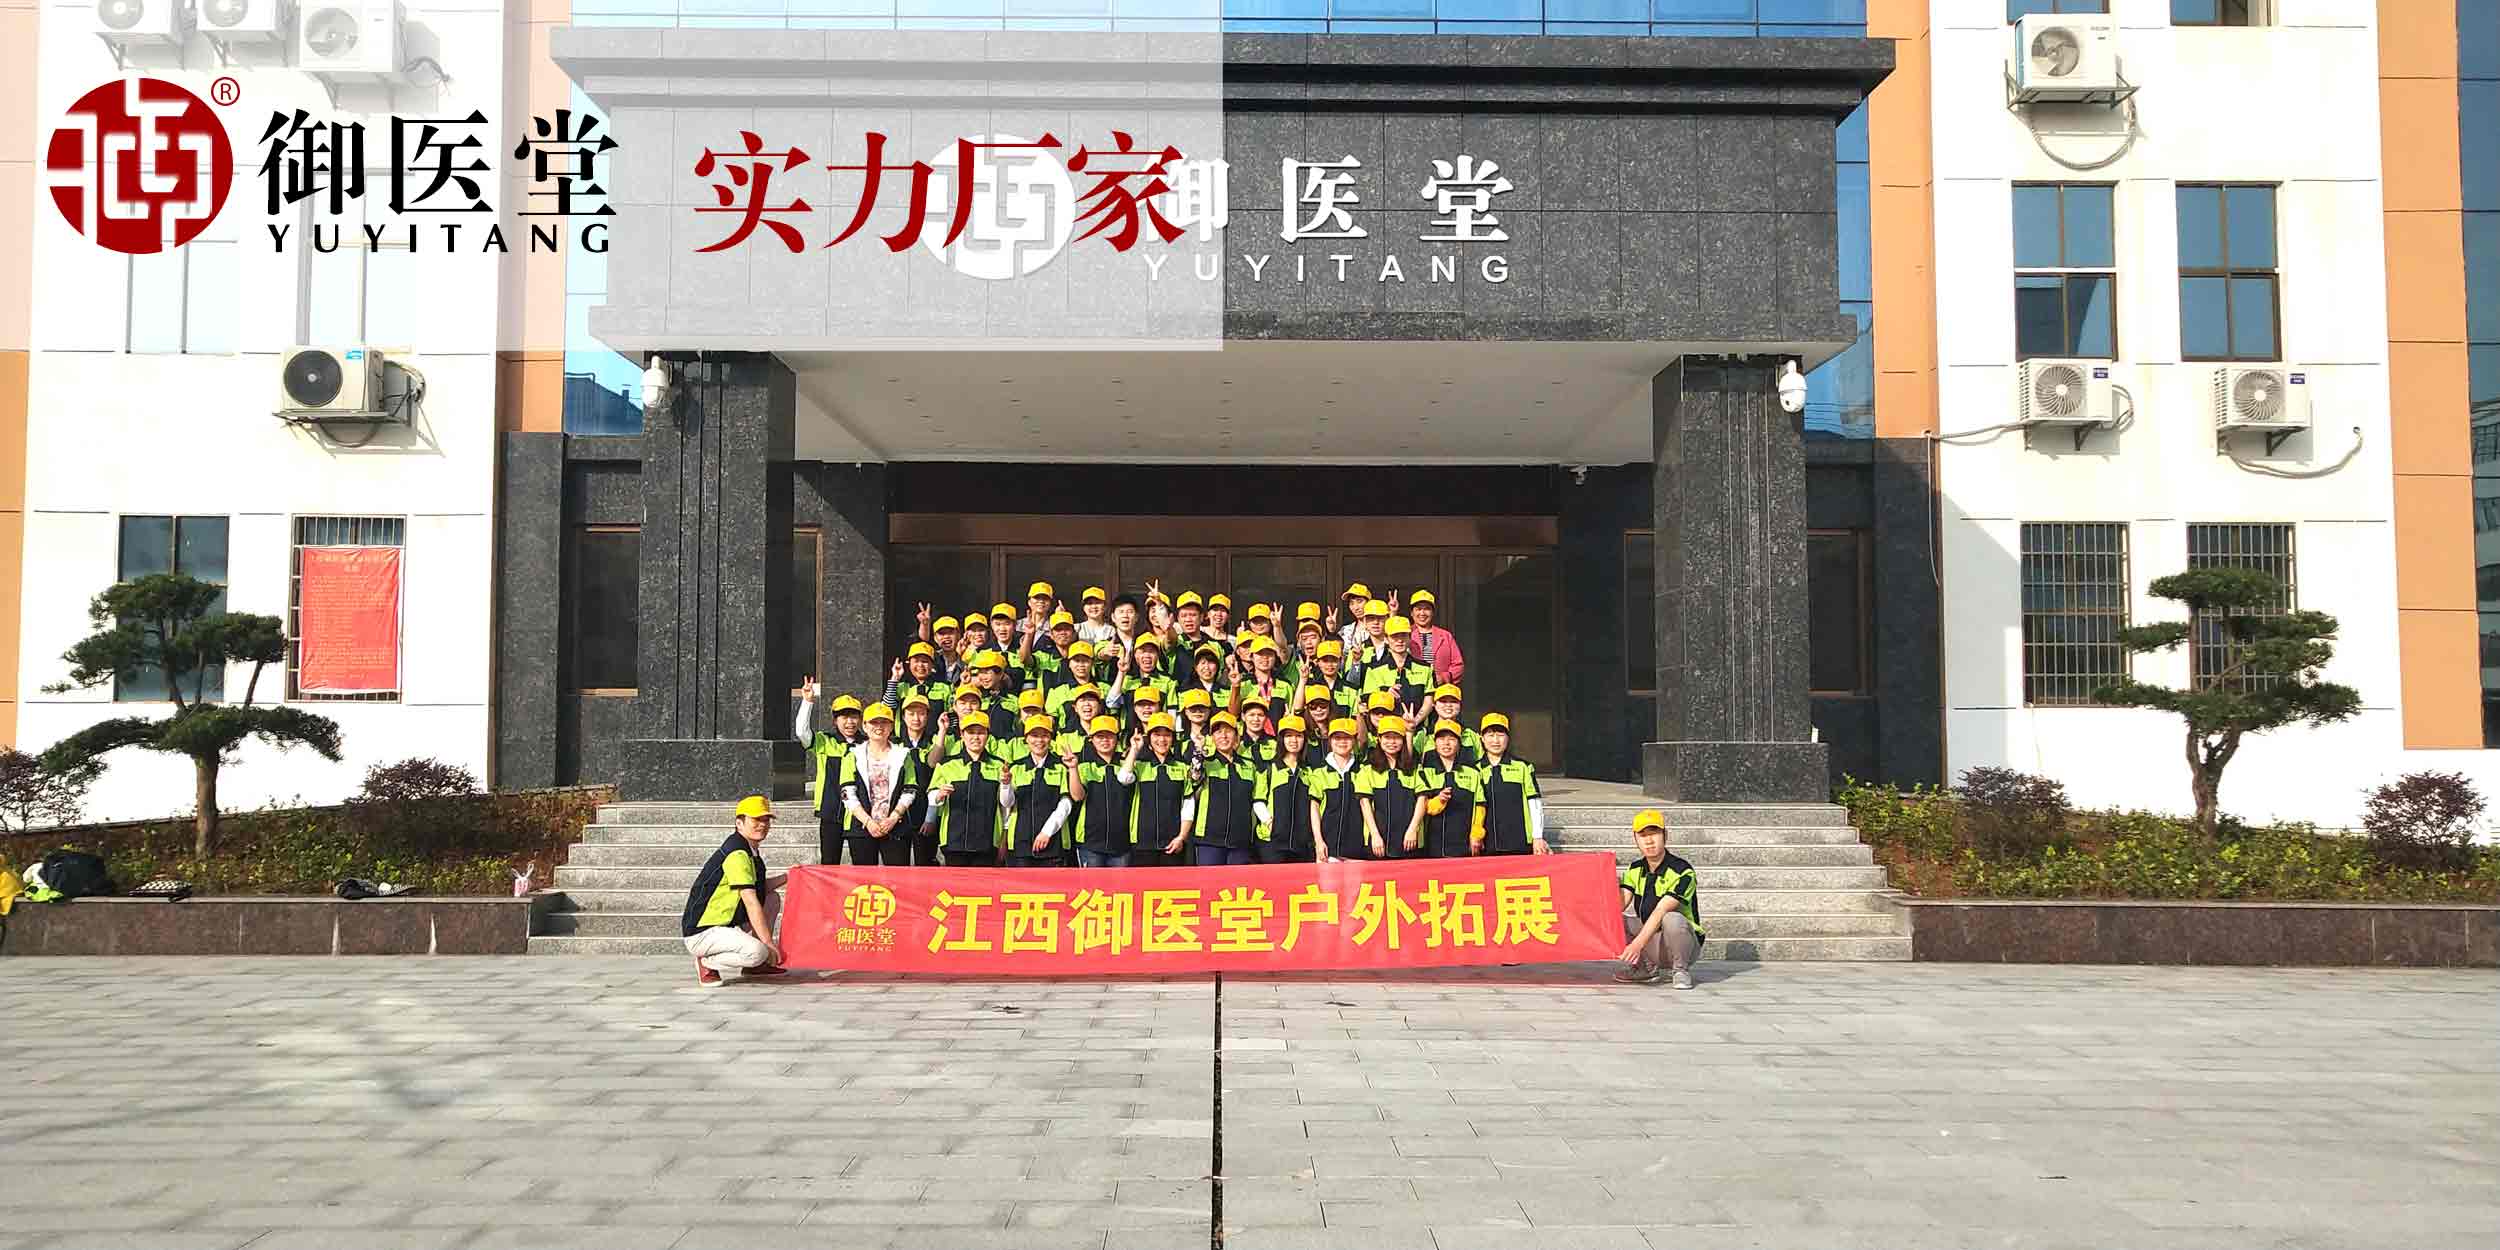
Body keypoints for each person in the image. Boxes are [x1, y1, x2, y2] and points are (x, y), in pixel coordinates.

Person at [681, 795, 790, 986]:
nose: (762, 825)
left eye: (766, 820)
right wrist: (768, 943)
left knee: (771, 898)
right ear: (739, 823)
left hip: (726, 925)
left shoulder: (749, 849)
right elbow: (750, 900)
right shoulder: (737, 854)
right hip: (704, 932)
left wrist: (788, 876)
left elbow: (760, 888)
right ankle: (706, 963)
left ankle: (755, 966)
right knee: (758, 952)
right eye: (756, 820)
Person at [1618, 809, 1704, 988]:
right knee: (1615, 921)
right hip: (1653, 941)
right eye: (1642, 835)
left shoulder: (1683, 871)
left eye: (1654, 833)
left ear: (1665, 835)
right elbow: (1620, 904)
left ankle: (1680, 970)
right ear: (1635, 839)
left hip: (1683, 943)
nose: (1649, 840)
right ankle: (1645, 969)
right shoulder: (1635, 869)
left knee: (1671, 918)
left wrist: (1636, 944)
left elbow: (1661, 909)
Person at [835, 703, 923, 867]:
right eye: (874, 722)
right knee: (864, 880)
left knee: (897, 878)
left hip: (895, 827)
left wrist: (894, 818)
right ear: (865, 726)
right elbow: (847, 793)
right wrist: (868, 822)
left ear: (891, 726)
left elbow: (910, 789)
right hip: (861, 827)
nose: (879, 727)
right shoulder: (852, 754)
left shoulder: (903, 754)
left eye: (884, 722)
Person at [924, 711, 1008, 866]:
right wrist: (939, 794)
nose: (975, 737)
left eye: (980, 732)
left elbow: (1005, 806)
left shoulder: (999, 765)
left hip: (987, 843)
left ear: (988, 735)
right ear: (962, 735)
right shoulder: (946, 764)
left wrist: (1004, 836)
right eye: (970, 732)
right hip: (953, 841)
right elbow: (931, 797)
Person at [794, 681, 864, 864]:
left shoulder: (867, 743)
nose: (849, 722)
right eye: (844, 717)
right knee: (829, 862)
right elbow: (801, 732)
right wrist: (807, 701)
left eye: (854, 717)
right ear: (835, 720)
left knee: (862, 864)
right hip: (831, 811)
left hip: (860, 813)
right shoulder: (824, 741)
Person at [1003, 716, 1079, 868]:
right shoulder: (1016, 768)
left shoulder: (1061, 767)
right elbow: (1007, 803)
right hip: (1020, 842)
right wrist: (1006, 785)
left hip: (1054, 842)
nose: (1039, 740)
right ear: (1026, 738)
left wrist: (1047, 832)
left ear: (1051, 738)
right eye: (1034, 735)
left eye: (1044, 735)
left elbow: (1066, 803)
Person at [1121, 711, 1193, 867]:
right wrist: (1134, 750)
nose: (1162, 740)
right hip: (1142, 842)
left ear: (1173, 738)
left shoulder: (1182, 767)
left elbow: (1188, 805)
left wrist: (1181, 837)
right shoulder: (1139, 765)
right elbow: (1123, 778)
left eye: (1167, 735)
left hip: (1173, 843)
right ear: (1149, 738)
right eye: (1156, 735)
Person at [1189, 711, 1259, 866]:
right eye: (1218, 732)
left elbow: (1256, 799)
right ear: (1212, 737)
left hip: (1240, 841)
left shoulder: (1249, 766)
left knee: (1238, 882)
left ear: (1237, 736)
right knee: (1210, 881)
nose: (1224, 736)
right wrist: (1199, 751)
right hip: (1209, 840)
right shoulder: (1206, 763)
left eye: (1228, 731)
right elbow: (1194, 777)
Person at [1475, 712, 1550, 856]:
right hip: (1485, 844)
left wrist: (1537, 836)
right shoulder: (1475, 770)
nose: (1496, 740)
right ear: (1482, 738)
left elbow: (1534, 803)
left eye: (1500, 735)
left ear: (1508, 738)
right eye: (1490, 735)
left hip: (1519, 842)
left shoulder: (1523, 767)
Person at [1355, 715, 1429, 860]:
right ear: (1379, 739)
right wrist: (1375, 835)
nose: (1392, 742)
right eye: (1387, 737)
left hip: (1409, 841)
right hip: (1378, 842)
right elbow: (1365, 804)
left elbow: (1422, 799)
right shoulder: (1367, 770)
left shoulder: (1414, 768)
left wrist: (1413, 829)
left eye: (1396, 737)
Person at [1253, 713, 1318, 864]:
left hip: (1301, 843)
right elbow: (1258, 800)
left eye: (1298, 736)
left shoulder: (1309, 772)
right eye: (1288, 736)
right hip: (1272, 842)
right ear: (1281, 740)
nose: (1293, 740)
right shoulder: (1269, 768)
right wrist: (1269, 823)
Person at [1069, 715, 1133, 867]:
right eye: (1099, 736)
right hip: (1090, 842)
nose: (1105, 740)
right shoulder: (1085, 767)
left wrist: (1134, 750)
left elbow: (1127, 778)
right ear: (1091, 739)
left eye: (1109, 736)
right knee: (1091, 883)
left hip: (1122, 842)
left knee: (1121, 884)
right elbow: (1077, 797)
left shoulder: (1127, 765)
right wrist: (1073, 769)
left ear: (1117, 738)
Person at [1417, 722, 1486, 858]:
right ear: (1435, 743)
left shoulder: (1473, 773)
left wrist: (1476, 833)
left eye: (1452, 739)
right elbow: (1420, 806)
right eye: (1441, 739)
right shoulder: (1425, 773)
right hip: (1432, 847)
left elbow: (1480, 805)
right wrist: (1438, 801)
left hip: (1464, 846)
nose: (1446, 743)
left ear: (1459, 744)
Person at [1306, 717, 1367, 860]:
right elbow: (1314, 809)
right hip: (1328, 849)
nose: (1342, 742)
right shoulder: (1319, 772)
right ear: (1330, 740)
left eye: (1347, 737)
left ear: (1354, 740)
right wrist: (1319, 841)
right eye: (1337, 738)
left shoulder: (1363, 770)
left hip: (1357, 849)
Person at [897, 693, 946, 866]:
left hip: (926, 811)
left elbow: (933, 762)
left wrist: (942, 731)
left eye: (921, 714)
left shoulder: (934, 740)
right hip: (899, 813)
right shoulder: (895, 742)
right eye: (911, 714)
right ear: (903, 717)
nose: (916, 719)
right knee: (898, 864)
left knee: (925, 863)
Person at [1362, 616, 1436, 716]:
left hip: (1418, 725)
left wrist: (1415, 721)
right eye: (1394, 636)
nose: (1400, 640)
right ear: (1386, 639)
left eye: (1403, 636)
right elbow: (1368, 700)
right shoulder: (1374, 669)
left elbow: (1429, 701)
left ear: (1409, 638)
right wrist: (1385, 695)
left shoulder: (1425, 668)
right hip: (1386, 724)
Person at [1405, 590, 1466, 686]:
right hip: (1413, 688)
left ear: (1433, 612)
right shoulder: (1405, 634)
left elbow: (1458, 665)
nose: (1422, 613)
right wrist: (1393, 613)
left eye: (1427, 609)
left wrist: (1444, 677)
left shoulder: (1446, 636)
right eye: (1418, 609)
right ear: (1412, 613)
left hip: (1440, 690)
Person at [1417, 684, 1482, 766]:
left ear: (1460, 705)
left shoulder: (1470, 735)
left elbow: (1481, 765)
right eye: (1443, 701)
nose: (1448, 705)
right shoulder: (1424, 735)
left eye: (1453, 701)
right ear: (1434, 704)